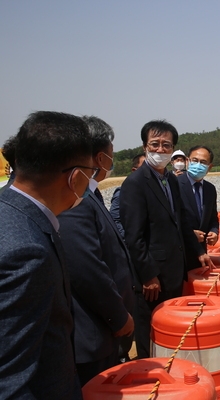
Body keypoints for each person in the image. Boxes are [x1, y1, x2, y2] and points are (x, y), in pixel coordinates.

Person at [0, 111, 94, 399]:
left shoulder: (10, 211)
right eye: (90, 174)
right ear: (76, 177)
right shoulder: (26, 251)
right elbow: (9, 381)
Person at [120, 120, 213, 358]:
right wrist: (148, 274)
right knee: (149, 328)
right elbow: (134, 235)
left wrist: (199, 250)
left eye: (166, 145)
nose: (160, 150)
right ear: (144, 146)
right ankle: (148, 370)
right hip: (153, 277)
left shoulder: (171, 180)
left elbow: (181, 223)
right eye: (155, 144)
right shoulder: (135, 184)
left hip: (173, 269)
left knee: (170, 326)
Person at [57, 116, 137, 385]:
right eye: (111, 155)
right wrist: (118, 318)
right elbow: (86, 269)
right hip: (93, 333)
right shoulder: (75, 199)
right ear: (101, 158)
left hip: (104, 328)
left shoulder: (90, 193)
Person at [177, 145, 219, 250]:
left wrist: (214, 231)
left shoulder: (210, 189)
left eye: (203, 162)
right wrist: (190, 234)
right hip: (180, 250)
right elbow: (169, 220)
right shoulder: (175, 185)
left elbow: (213, 217)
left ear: (209, 167)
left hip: (201, 250)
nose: (198, 165)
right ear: (187, 161)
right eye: (195, 160)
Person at [110, 153, 145, 238]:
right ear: (134, 170)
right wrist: (129, 240)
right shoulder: (122, 193)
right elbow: (115, 220)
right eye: (145, 166)